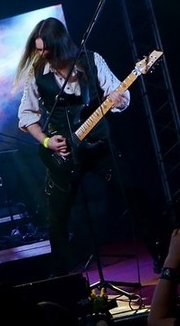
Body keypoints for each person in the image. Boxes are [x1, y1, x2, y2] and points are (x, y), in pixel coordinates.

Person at [13, 16, 141, 276]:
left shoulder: (91, 60)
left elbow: (120, 93)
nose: (41, 54)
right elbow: (26, 117)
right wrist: (47, 141)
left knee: (135, 196)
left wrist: (118, 99)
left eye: (45, 49)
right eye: (38, 49)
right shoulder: (37, 74)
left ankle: (162, 254)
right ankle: (61, 275)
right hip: (63, 154)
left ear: (59, 45)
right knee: (57, 217)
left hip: (98, 146)